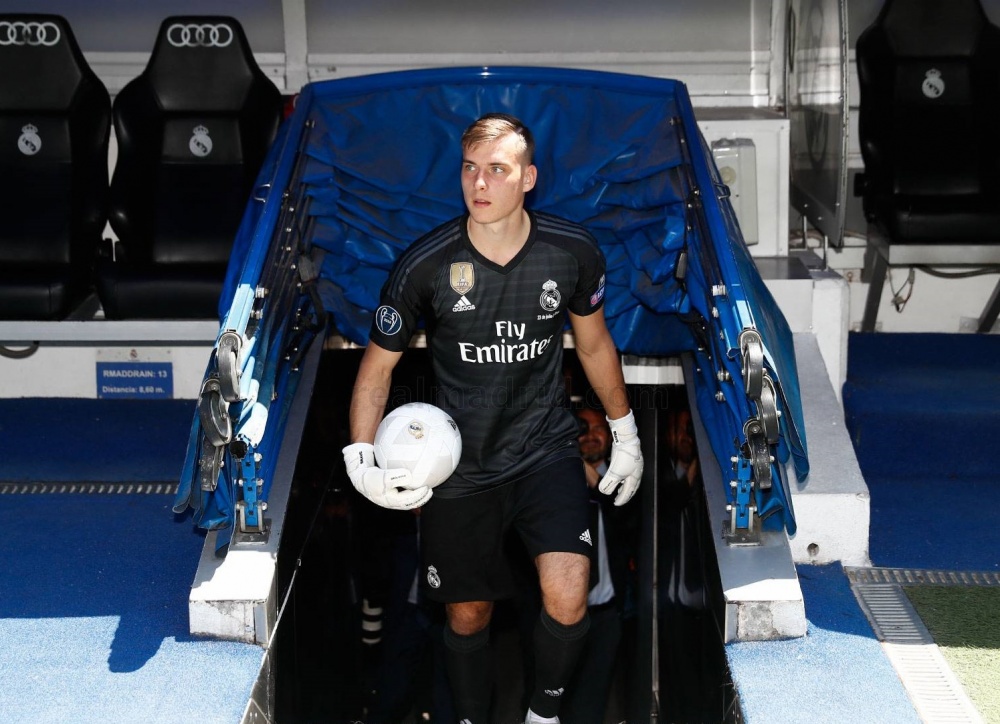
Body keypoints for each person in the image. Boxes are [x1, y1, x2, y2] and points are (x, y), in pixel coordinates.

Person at [342, 113, 644, 724]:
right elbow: (375, 372)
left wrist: (626, 432)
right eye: (470, 169)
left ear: (528, 178)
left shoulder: (571, 251)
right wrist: (360, 459)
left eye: (497, 170)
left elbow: (593, 346)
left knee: (569, 596)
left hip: (545, 450)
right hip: (462, 467)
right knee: (468, 615)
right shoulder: (425, 264)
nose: (479, 183)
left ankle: (543, 714)